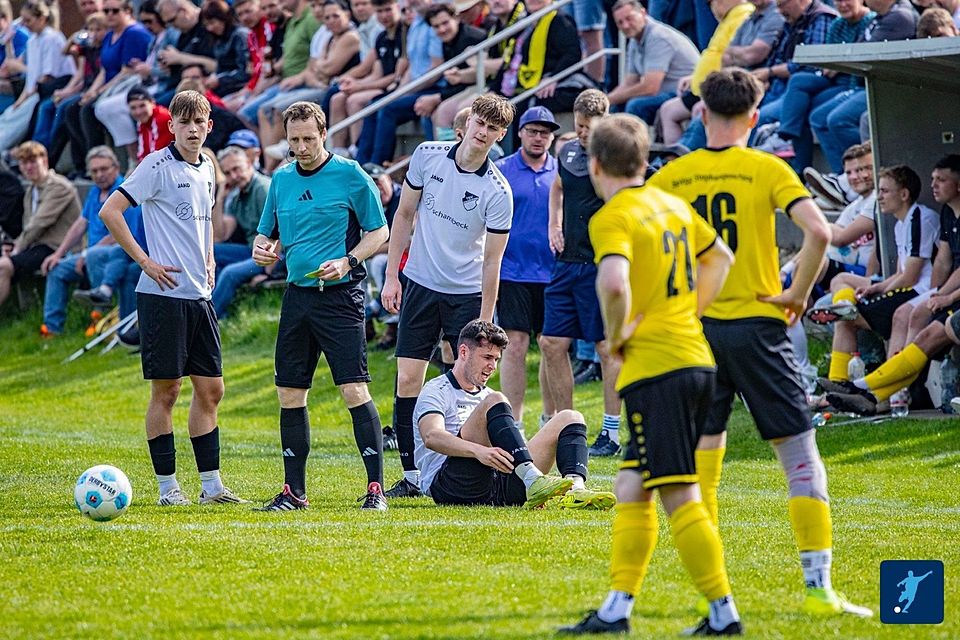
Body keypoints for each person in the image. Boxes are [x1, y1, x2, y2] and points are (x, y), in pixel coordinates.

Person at [646, 68, 872, 617]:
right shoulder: (766, 167)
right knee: (798, 453)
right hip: (758, 326)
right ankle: (819, 587)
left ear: (701, 114)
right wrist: (796, 292)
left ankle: (716, 599)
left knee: (703, 468)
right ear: (754, 117)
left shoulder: (672, 178)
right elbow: (820, 231)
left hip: (694, 332)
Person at [560, 113, 741, 637]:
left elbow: (614, 285)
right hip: (694, 358)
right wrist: (689, 311)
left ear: (594, 165)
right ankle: (616, 609)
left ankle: (724, 612)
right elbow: (721, 258)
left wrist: (618, 336)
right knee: (631, 485)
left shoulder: (612, 216)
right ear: (644, 160)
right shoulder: (672, 204)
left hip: (657, 367)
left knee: (678, 493)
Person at [96, 90, 246, 507]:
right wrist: (145, 261)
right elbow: (110, 211)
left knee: (212, 390)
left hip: (200, 295)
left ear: (209, 126)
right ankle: (168, 489)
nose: (193, 130)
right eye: (185, 123)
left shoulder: (210, 166)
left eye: (200, 122)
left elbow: (204, 226)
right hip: (163, 296)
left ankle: (212, 487)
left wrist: (211, 259)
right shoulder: (156, 165)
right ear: (172, 126)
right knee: (168, 391)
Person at [252, 101, 390, 511]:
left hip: (342, 298)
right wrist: (264, 250)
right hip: (297, 298)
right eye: (293, 141)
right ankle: (294, 493)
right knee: (290, 393)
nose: (301, 147)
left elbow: (378, 231)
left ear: (324, 133)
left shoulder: (350, 175)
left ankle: (375, 491)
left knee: (353, 389)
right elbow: (266, 237)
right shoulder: (280, 180)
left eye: (309, 139)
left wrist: (348, 260)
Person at [379, 94, 515, 498]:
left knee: (465, 379)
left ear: (500, 135)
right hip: (419, 282)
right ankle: (411, 474)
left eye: (492, 128)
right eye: (479, 122)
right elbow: (403, 215)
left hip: (466, 293)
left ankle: (463, 467)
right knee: (408, 378)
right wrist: (392, 276)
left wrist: (485, 321)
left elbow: (493, 262)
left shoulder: (498, 191)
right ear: (467, 121)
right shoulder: (427, 155)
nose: (482, 131)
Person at [415, 319, 615, 509]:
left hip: (497, 482)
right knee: (495, 400)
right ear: (464, 352)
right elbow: (432, 436)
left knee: (570, 417)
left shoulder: (489, 396)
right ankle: (532, 480)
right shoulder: (437, 389)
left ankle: (575, 490)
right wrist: (479, 451)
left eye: (496, 359)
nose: (492, 366)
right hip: (452, 485)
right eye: (487, 357)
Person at [824, 156, 960, 415]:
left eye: (941, 180)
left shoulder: (922, 216)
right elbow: (945, 262)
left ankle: (881, 393)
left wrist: (939, 295)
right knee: (841, 289)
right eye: (933, 179)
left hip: (920, 291)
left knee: (906, 314)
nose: (934, 185)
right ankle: (854, 388)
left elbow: (913, 276)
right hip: (932, 291)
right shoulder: (940, 216)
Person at [540, 89, 622, 457]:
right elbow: (557, 188)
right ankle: (567, 426)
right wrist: (553, 224)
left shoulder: (615, 155)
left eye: (590, 127)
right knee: (551, 343)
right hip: (566, 262)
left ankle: (612, 431)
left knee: (607, 348)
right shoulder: (567, 150)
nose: (584, 134)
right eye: (580, 127)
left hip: (598, 264)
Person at [811, 166, 938, 371]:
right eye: (879, 191)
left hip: (919, 290)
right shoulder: (899, 225)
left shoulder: (921, 219)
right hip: (906, 285)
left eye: (885, 191)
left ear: (904, 194)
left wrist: (882, 291)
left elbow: (909, 278)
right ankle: (845, 306)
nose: (879, 197)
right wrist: (875, 288)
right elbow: (899, 273)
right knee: (840, 280)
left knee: (848, 320)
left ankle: (850, 377)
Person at [494, 106, 558, 428]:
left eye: (545, 132)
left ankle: (551, 418)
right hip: (512, 272)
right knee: (514, 345)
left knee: (552, 347)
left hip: (552, 272)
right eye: (533, 131)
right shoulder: (501, 169)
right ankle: (514, 423)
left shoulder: (562, 172)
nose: (538, 137)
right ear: (519, 132)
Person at [40, 146, 142, 337]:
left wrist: (87, 254)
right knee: (57, 268)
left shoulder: (124, 191)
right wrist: (58, 254)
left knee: (96, 256)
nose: (99, 175)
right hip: (89, 253)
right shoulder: (95, 192)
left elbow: (120, 233)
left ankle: (99, 319)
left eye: (104, 169)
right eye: (94, 171)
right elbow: (80, 225)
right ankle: (51, 328)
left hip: (114, 253)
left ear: (116, 167)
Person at [0, 142, 80, 309]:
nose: (29, 167)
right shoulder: (31, 190)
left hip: (58, 247)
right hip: (38, 246)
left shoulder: (59, 186)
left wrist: (17, 247)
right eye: (24, 163)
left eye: (32, 161)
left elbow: (39, 223)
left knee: (4, 266)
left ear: (44, 161)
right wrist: (13, 244)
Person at [608, 0, 699, 124]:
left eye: (629, 18)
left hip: (688, 93)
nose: (625, 25)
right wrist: (604, 100)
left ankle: (634, 143)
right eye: (620, 22)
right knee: (616, 106)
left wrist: (609, 99)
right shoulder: (635, 40)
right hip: (667, 92)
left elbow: (650, 87)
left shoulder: (658, 36)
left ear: (643, 13)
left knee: (636, 105)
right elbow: (629, 83)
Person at [210, 146, 271, 319]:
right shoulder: (237, 195)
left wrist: (268, 272)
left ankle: (204, 324)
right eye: (228, 173)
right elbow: (221, 235)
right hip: (252, 250)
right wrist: (220, 198)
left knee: (229, 272)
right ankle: (223, 318)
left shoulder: (263, 188)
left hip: (274, 254)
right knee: (211, 253)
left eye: (237, 169)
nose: (234, 176)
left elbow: (279, 233)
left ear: (249, 163)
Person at [128, 86, 175, 161]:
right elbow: (142, 154)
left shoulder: (163, 118)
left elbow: (157, 156)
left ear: (152, 103)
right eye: (133, 108)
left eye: (142, 105)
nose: (138, 112)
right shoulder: (143, 121)